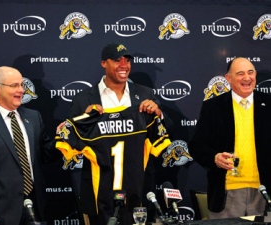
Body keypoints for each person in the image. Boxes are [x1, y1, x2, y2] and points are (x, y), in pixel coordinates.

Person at [55, 42, 173, 225]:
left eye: (127, 60)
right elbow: (68, 134)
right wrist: (85, 118)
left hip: (138, 189)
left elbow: (169, 130)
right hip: (99, 191)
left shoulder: (145, 94)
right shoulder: (83, 99)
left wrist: (159, 113)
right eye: (117, 60)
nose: (124, 65)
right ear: (104, 63)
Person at [0, 66, 62, 225]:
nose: (21, 90)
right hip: (1, 211)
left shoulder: (34, 117)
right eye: (14, 85)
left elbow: (46, 155)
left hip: (37, 205)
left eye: (22, 85)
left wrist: (63, 139)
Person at [189, 57, 271, 219]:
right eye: (240, 74)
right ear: (228, 79)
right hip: (227, 192)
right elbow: (197, 146)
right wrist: (215, 157)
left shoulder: (269, 103)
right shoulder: (213, 107)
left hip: (265, 192)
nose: (247, 78)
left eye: (250, 72)